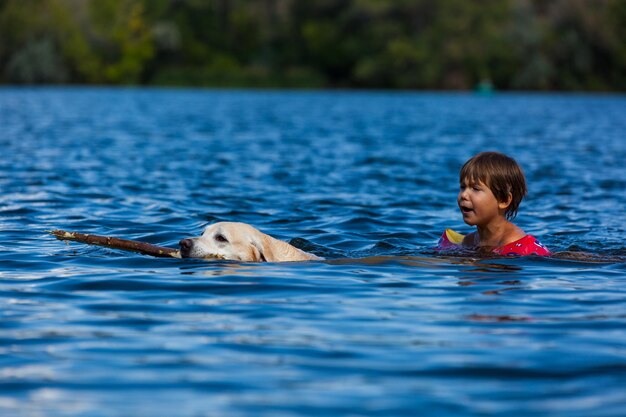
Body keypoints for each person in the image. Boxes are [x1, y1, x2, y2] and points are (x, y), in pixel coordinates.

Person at [438, 151, 551, 256]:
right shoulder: (469, 241)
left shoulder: (515, 243)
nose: (464, 195)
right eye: (463, 187)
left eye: (475, 189)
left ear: (503, 200)